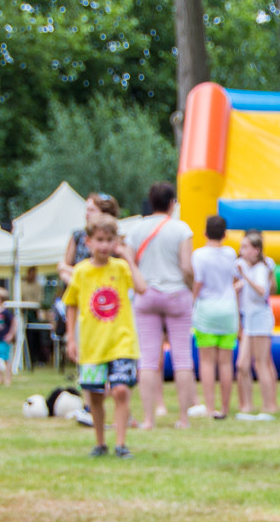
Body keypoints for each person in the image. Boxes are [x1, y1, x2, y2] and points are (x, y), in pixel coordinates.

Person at [63, 214, 147, 458]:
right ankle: (100, 442)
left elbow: (142, 288)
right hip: (92, 344)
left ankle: (121, 443)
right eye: (99, 240)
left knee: (121, 390)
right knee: (96, 396)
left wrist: (129, 258)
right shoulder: (81, 272)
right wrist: (71, 338)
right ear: (88, 242)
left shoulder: (121, 268)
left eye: (109, 240)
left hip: (121, 342)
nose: (104, 245)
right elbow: (71, 304)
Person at [128, 181, 200, 429]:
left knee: (147, 359)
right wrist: (191, 287)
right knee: (182, 359)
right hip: (176, 295)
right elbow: (187, 267)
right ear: (172, 203)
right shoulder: (182, 229)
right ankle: (183, 418)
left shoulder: (136, 230)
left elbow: (129, 263)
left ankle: (148, 419)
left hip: (146, 295)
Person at [192, 215, 239, 420]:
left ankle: (210, 407)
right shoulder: (230, 253)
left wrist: (191, 302)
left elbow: (198, 283)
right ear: (225, 234)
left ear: (205, 232)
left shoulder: (199, 255)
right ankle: (225, 407)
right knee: (226, 362)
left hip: (206, 311)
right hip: (228, 310)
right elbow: (235, 278)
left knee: (207, 362)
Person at [235, 232, 278, 420]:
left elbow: (263, 292)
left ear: (256, 250)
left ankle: (270, 405)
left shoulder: (261, 268)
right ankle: (247, 404)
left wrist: (244, 278)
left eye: (245, 247)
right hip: (249, 319)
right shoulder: (245, 266)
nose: (241, 251)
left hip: (260, 318)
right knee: (242, 364)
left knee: (261, 363)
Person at [58, 192, 120, 287]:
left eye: (92, 210)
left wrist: (72, 271)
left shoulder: (116, 240)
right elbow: (63, 268)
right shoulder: (77, 236)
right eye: (87, 209)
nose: (87, 214)